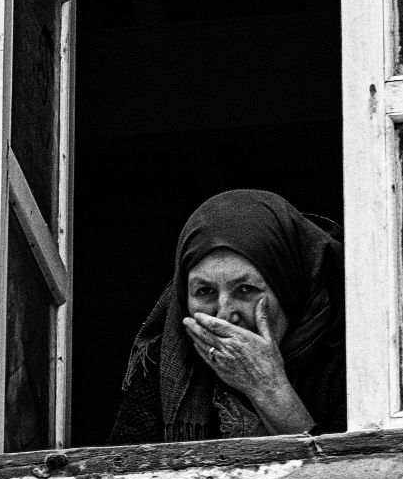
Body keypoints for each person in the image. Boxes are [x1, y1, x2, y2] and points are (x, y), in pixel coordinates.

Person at [109, 189, 345, 443]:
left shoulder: (349, 359)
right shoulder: (168, 358)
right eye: (205, 291)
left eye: (246, 290)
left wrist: (267, 388)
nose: (223, 314)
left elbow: (353, 477)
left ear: (289, 287)